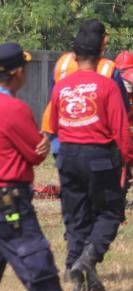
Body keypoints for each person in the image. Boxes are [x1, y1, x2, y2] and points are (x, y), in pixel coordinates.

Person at [49, 29, 133, 290]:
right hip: (99, 157)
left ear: (74, 55)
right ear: (102, 52)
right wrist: (131, 162)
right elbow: (122, 129)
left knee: (76, 216)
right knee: (110, 212)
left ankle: (76, 271)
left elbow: (54, 124)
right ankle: (88, 259)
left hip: (67, 157)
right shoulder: (108, 85)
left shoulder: (62, 86)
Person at [0, 43, 61, 291]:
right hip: (9, 203)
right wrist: (43, 143)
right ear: (18, 72)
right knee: (41, 273)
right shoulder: (13, 109)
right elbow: (35, 154)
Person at [41, 20, 129, 157]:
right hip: (97, 145)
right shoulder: (108, 68)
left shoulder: (62, 63)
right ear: (103, 40)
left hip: (63, 142)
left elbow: (53, 101)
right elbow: (123, 109)